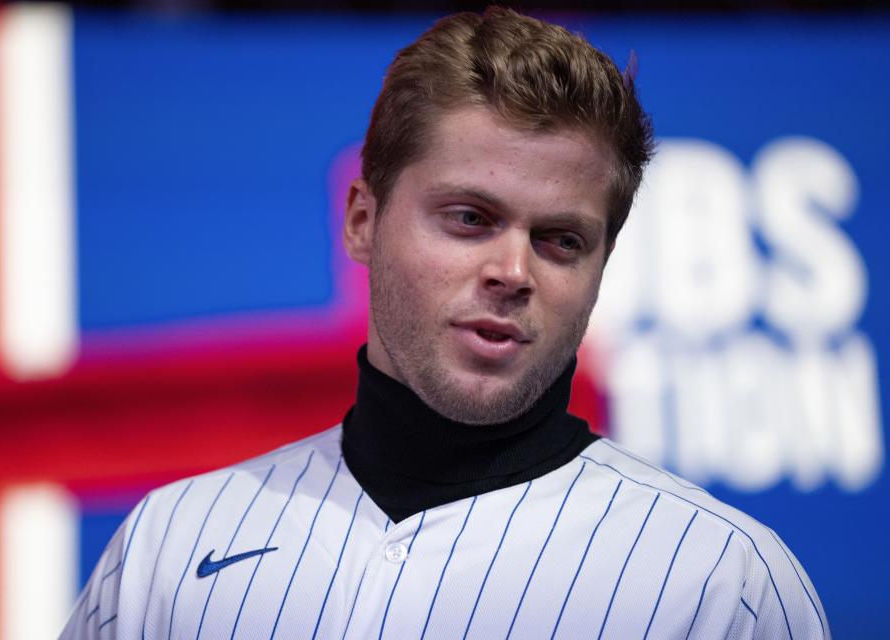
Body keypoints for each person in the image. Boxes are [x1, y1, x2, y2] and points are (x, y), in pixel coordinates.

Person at [62, 7, 828, 639]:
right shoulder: (170, 546)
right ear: (362, 220)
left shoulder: (723, 586)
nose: (514, 272)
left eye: (562, 240)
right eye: (469, 218)